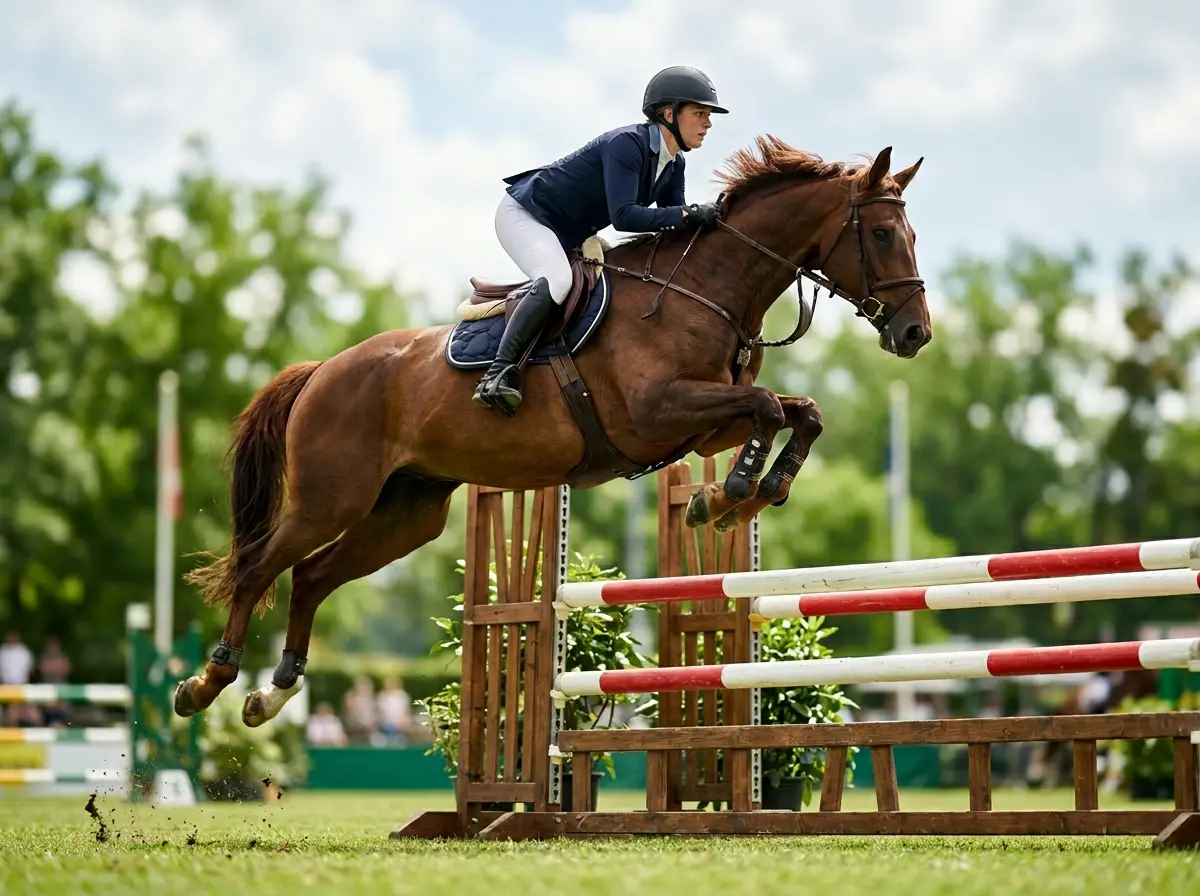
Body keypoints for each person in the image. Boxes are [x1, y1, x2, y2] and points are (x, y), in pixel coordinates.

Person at [472, 65, 728, 414]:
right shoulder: (627, 145)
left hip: (567, 230)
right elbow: (625, 216)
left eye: (708, 115)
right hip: (526, 214)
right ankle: (497, 374)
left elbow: (673, 223)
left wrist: (710, 221)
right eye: (700, 113)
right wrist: (687, 213)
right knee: (558, 280)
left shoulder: (674, 164)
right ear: (668, 113)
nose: (708, 123)